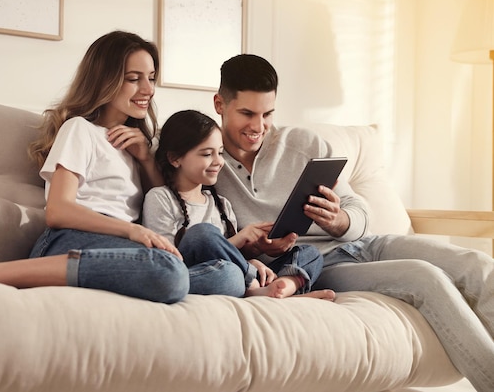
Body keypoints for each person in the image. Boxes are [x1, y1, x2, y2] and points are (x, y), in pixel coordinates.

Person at [0, 31, 238, 305]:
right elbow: (59, 211)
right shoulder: (80, 130)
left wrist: (144, 157)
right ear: (105, 79)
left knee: (228, 277)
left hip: (121, 252)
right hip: (70, 241)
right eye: (133, 77)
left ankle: (155, 274)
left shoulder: (135, 144)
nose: (148, 89)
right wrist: (131, 232)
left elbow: (164, 201)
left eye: (152, 77)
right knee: (170, 273)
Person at [212, 53, 494, 391]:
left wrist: (339, 219)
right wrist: (253, 249)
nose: (258, 127)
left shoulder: (304, 144)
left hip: (366, 244)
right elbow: (207, 238)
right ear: (220, 104)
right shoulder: (205, 158)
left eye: (268, 114)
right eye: (247, 114)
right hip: (316, 267)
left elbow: (359, 213)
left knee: (477, 265)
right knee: (425, 278)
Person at [143, 109, 335, 299]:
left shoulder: (222, 205)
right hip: (203, 273)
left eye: (220, 153)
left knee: (311, 254)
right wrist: (243, 253)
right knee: (205, 238)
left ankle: (284, 288)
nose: (219, 162)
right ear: (175, 158)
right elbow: (167, 261)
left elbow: (228, 255)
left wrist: (252, 258)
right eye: (207, 154)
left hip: (237, 274)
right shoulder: (160, 198)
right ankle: (257, 289)